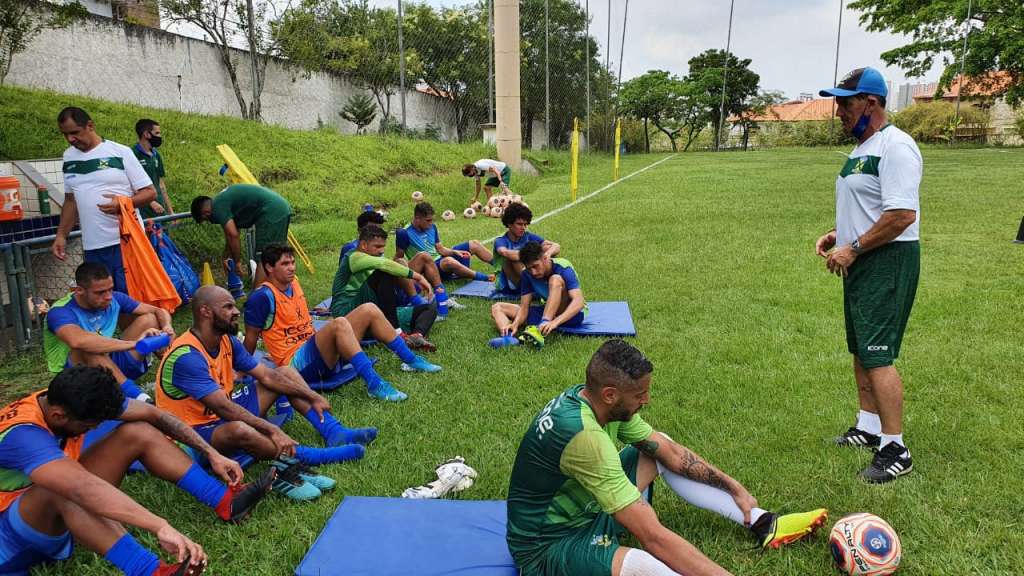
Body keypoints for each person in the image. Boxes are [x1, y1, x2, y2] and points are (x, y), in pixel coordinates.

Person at [506, 340, 828, 576]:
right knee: (644, 564)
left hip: (587, 512)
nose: (646, 400)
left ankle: (762, 521)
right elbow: (653, 537)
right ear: (610, 394)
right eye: (639, 395)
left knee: (658, 449)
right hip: (547, 547)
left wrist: (736, 488)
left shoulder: (592, 399)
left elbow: (669, 453)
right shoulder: (584, 437)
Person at [0, 366, 277, 576]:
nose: (94, 430)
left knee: (138, 432)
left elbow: (154, 414)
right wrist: (159, 526)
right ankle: (149, 571)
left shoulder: (66, 398)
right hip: (10, 542)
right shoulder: (23, 435)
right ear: (59, 416)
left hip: (45, 513)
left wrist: (211, 453)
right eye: (89, 425)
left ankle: (227, 501)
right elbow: (80, 487)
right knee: (62, 487)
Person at [156, 286, 371, 500]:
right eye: (228, 307)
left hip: (219, 415)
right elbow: (224, 407)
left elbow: (267, 376)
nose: (236, 311)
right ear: (205, 312)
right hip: (190, 436)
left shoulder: (225, 340)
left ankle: (333, 431)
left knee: (285, 373)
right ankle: (308, 456)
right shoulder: (187, 357)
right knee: (240, 429)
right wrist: (272, 429)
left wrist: (311, 395)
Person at [815, 67, 922, 484]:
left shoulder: (896, 147)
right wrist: (839, 235)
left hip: (887, 260)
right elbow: (870, 207)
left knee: (878, 354)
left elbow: (900, 216)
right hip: (862, 259)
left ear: (872, 103)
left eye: (846, 101)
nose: (838, 110)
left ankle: (895, 447)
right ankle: (868, 426)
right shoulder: (863, 148)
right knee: (861, 349)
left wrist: (854, 247)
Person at [247, 243, 440, 404]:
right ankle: (374, 384)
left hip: (319, 353)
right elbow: (251, 337)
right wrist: (241, 370)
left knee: (369, 309)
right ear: (269, 268)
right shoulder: (261, 297)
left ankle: (411, 360)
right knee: (339, 323)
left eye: (292, 262)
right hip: (296, 366)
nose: (291, 267)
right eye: (285, 264)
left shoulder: (294, 283)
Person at [53, 107, 157, 293]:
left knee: (132, 298)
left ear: (90, 126)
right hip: (93, 246)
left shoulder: (119, 152)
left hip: (125, 241)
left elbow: (149, 192)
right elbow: (70, 201)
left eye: (75, 132)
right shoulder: (68, 157)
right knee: (101, 302)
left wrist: (124, 203)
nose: (70, 139)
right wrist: (61, 235)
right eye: (65, 135)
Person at [44, 262, 175, 402]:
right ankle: (139, 398)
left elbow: (158, 311)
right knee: (88, 347)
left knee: (150, 319)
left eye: (110, 289)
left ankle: (174, 367)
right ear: (79, 290)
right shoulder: (60, 311)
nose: (108, 297)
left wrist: (167, 328)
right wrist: (135, 344)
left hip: (109, 362)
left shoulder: (115, 298)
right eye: (100, 292)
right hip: (76, 376)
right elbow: (78, 341)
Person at [337, 212, 441, 345]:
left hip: (385, 301)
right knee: (388, 270)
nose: (375, 232)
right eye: (370, 229)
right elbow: (381, 266)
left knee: (429, 309)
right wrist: (418, 277)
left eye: (378, 229)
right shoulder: (351, 250)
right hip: (363, 304)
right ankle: (397, 332)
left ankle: (415, 336)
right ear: (360, 233)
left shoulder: (375, 248)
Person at [190, 184, 293, 287]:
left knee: (264, 256)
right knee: (277, 253)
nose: (210, 221)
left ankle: (257, 298)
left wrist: (237, 262)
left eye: (205, 220)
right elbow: (231, 234)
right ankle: (281, 289)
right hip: (280, 207)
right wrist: (225, 256)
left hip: (271, 212)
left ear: (205, 213)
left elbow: (233, 235)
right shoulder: (221, 201)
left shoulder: (217, 207)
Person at [491, 241, 585, 347]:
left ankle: (542, 326)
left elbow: (579, 301)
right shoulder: (526, 273)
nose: (533, 272)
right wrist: (515, 324)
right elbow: (524, 307)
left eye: (535, 266)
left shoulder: (563, 267)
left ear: (545, 258)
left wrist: (555, 322)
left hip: (572, 316)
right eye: (529, 268)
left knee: (555, 279)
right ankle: (508, 337)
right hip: (548, 311)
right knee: (497, 307)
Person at [395, 202, 493, 290]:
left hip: (441, 260)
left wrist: (454, 252)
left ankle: (501, 265)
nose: (431, 223)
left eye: (432, 220)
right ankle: (484, 277)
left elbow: (440, 249)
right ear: (417, 218)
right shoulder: (404, 233)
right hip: (429, 268)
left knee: (474, 244)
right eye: (428, 220)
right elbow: (399, 258)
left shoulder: (432, 227)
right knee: (448, 261)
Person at [493, 202, 560, 294]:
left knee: (545, 248)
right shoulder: (501, 241)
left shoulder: (528, 236)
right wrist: (530, 256)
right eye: (519, 224)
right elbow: (505, 252)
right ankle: (536, 287)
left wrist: (547, 254)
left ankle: (542, 283)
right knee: (513, 258)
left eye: (525, 224)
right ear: (509, 224)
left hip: (529, 274)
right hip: (509, 284)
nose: (523, 228)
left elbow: (556, 246)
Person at [133, 119, 173, 220]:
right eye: (157, 133)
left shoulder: (156, 155)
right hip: (143, 212)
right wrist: (150, 202)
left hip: (160, 209)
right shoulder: (132, 155)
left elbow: (161, 184)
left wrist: (170, 211)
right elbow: (130, 184)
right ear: (147, 134)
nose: (159, 136)